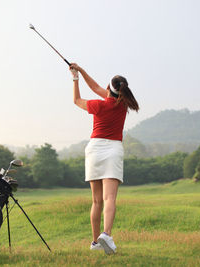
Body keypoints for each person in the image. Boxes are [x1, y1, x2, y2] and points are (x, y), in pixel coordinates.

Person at [69, 63, 139, 255]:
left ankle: (95, 242)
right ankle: (106, 234)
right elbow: (96, 88)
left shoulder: (98, 104)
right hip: (113, 150)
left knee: (96, 201)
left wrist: (76, 77)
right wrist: (81, 71)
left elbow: (77, 99)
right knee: (110, 198)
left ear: (108, 88)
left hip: (94, 150)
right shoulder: (123, 104)